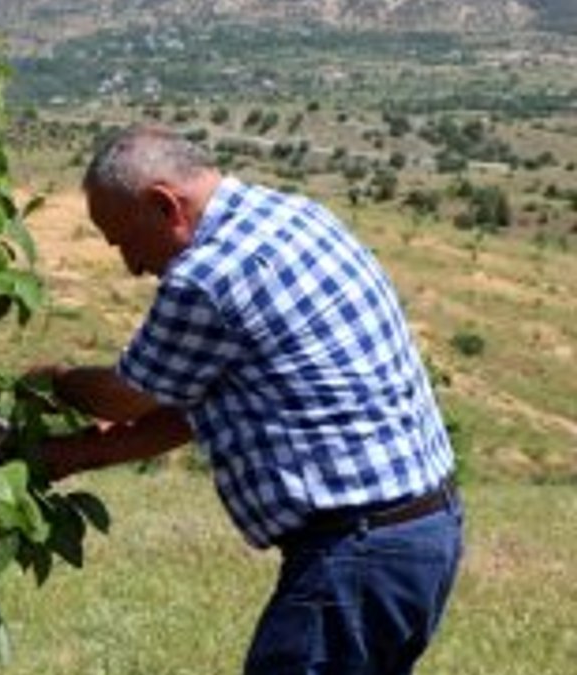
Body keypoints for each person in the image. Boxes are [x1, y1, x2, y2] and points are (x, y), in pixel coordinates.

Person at [31, 124, 463, 675]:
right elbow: (192, 406)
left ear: (166, 206)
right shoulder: (295, 215)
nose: (131, 266)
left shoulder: (209, 275)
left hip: (356, 554)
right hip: (418, 536)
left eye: (125, 241)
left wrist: (53, 382)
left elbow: (130, 396)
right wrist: (77, 455)